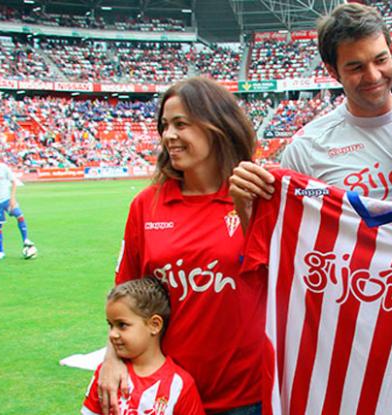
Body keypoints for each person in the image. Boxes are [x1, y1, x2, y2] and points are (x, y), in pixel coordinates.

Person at [99, 77, 264, 415]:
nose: (168, 136)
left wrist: (248, 212)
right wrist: (111, 358)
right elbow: (123, 298)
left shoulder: (258, 197)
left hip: (249, 396)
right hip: (167, 394)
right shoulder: (147, 205)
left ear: (217, 126)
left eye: (181, 124)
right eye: (164, 125)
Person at [230, 3, 392, 227]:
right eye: (356, 68)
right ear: (332, 71)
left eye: (380, 60)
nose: (373, 75)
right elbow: (288, 235)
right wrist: (246, 209)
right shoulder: (306, 149)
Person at [82, 277, 205, 415]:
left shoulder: (180, 386)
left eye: (122, 325)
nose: (112, 334)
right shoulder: (108, 375)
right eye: (110, 325)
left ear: (154, 325)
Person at [0, 148, 36, 260]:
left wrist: (12, 199)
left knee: (19, 215)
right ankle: (1, 251)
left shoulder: (3, 168)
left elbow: (13, 181)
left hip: (7, 199)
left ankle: (25, 239)